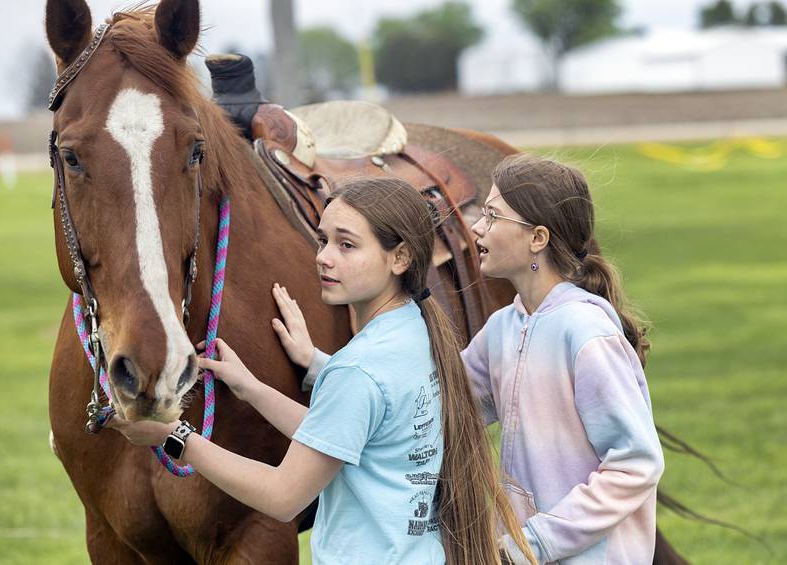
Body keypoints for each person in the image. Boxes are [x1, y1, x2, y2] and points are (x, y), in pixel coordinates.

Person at [107, 177, 535, 565]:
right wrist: (251, 388)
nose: (324, 258)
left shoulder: (359, 368)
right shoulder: (415, 332)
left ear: (400, 257)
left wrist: (177, 439)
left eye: (346, 245)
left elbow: (284, 495)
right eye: (323, 240)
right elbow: (339, 437)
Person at [279, 155, 665, 564]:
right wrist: (321, 365)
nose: (477, 227)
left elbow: (635, 465)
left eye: (493, 217)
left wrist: (529, 543)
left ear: (537, 238)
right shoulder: (504, 327)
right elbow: (432, 399)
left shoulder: (587, 334)